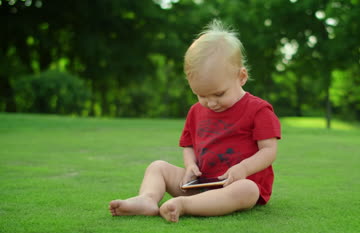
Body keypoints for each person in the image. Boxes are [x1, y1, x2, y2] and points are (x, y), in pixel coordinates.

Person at [109, 20, 281, 222]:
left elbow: (269, 150)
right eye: (201, 95)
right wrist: (190, 165)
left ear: (241, 77)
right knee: (158, 167)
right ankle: (147, 199)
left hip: (237, 184)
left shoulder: (258, 109)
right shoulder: (196, 112)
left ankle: (185, 205)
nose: (210, 103)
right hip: (200, 182)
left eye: (218, 94)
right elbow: (189, 146)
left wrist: (243, 168)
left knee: (248, 189)